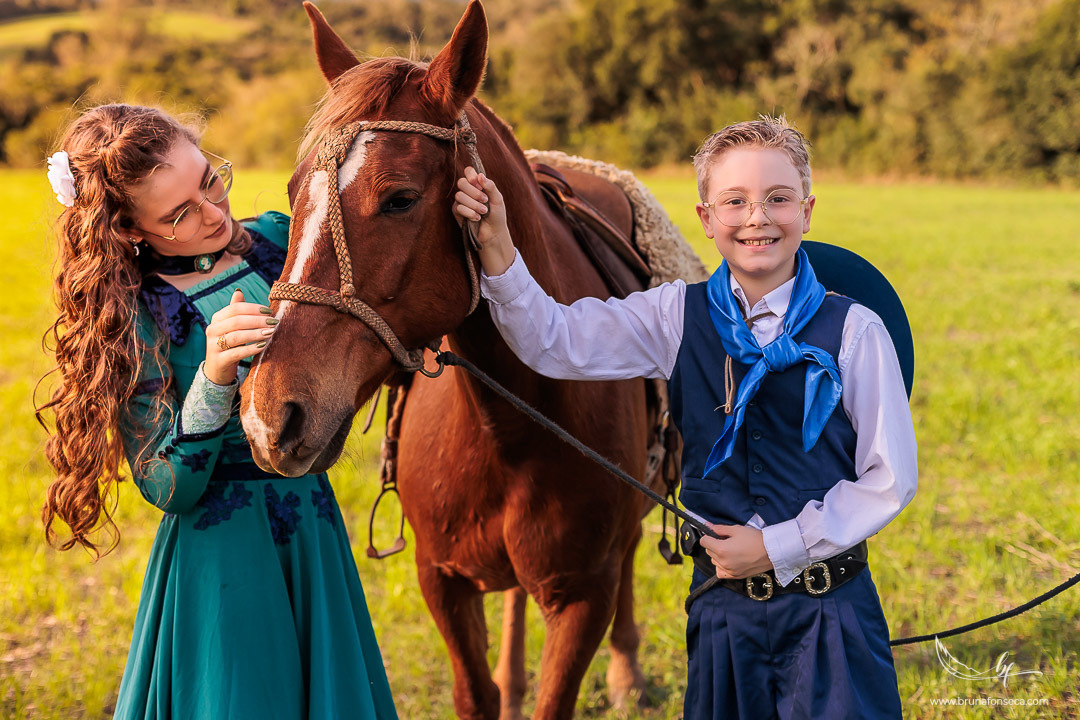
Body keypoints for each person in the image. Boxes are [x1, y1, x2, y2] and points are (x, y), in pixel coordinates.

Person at [452, 116, 917, 719]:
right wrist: (497, 248)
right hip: (724, 615)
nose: (757, 218)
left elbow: (890, 478)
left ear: (806, 210)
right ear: (706, 218)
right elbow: (553, 340)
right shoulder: (675, 315)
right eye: (735, 202)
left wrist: (777, 546)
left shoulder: (856, 329)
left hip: (830, 609)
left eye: (778, 199)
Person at [37, 103, 398, 719]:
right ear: (128, 230)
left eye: (209, 180)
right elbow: (166, 485)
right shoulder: (132, 318)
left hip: (310, 523)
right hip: (224, 559)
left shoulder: (284, 242)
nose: (214, 212)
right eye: (179, 215)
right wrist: (212, 376)